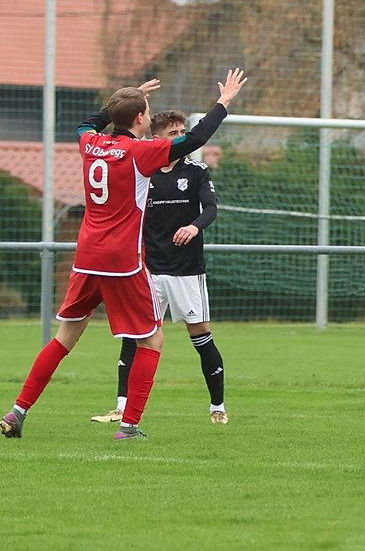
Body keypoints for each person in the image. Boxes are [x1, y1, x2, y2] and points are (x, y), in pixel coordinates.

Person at [1, 68, 247, 441]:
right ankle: (129, 426)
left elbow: (87, 123)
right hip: (122, 261)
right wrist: (223, 102)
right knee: (152, 340)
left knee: (64, 338)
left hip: (86, 257)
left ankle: (17, 412)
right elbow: (195, 138)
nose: (150, 117)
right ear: (138, 119)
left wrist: (122, 99)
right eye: (146, 112)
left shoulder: (90, 143)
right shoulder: (140, 153)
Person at [90, 109, 229, 426]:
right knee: (134, 335)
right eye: (173, 133)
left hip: (185, 269)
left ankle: (217, 406)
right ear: (157, 139)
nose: (180, 138)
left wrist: (194, 226)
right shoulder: (144, 171)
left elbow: (211, 208)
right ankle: (122, 407)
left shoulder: (196, 171)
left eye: (183, 132)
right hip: (148, 269)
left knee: (201, 336)